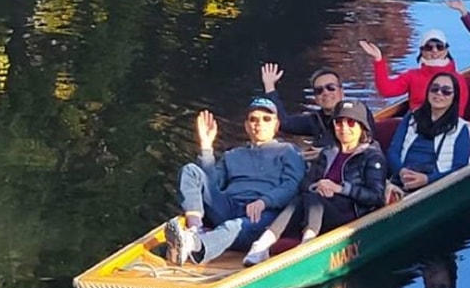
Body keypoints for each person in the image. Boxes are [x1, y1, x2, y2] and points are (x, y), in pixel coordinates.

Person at [243, 100, 389, 264]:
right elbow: (305, 183)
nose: (344, 128)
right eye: (339, 123)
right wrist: (318, 186)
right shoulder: (328, 152)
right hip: (320, 208)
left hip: (351, 213)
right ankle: (262, 244)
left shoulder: (372, 156)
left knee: (313, 199)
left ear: (362, 126)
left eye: (351, 123)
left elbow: (376, 196)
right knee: (303, 197)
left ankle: (307, 243)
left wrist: (340, 189)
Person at [165, 99, 307, 266]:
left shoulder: (288, 151)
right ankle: (195, 229)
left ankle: (195, 245)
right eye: (253, 119)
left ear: (276, 125)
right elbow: (212, 184)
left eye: (266, 119)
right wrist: (206, 147)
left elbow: (292, 185)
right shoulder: (233, 155)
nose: (259, 124)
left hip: (263, 214)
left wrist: (264, 201)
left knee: (234, 226)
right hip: (230, 206)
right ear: (246, 126)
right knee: (190, 170)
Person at [385, 71, 470, 195]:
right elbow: (393, 151)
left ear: (455, 97)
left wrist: (427, 180)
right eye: (435, 89)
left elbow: (460, 168)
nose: (439, 93)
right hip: (402, 179)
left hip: (436, 186)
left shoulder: (461, 128)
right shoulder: (411, 118)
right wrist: (401, 171)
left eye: (446, 91)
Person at [358, 30, 468, 122]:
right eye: (429, 47)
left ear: (446, 50)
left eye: (439, 47)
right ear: (421, 51)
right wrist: (378, 60)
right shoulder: (412, 75)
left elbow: (459, 112)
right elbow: (386, 90)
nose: (434, 51)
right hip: (415, 123)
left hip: (446, 125)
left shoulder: (457, 79)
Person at [260, 62, 343, 151]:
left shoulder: (356, 115)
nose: (325, 93)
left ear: (341, 91)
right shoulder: (314, 120)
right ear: (315, 97)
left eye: (331, 87)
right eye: (319, 90)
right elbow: (283, 123)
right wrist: (269, 87)